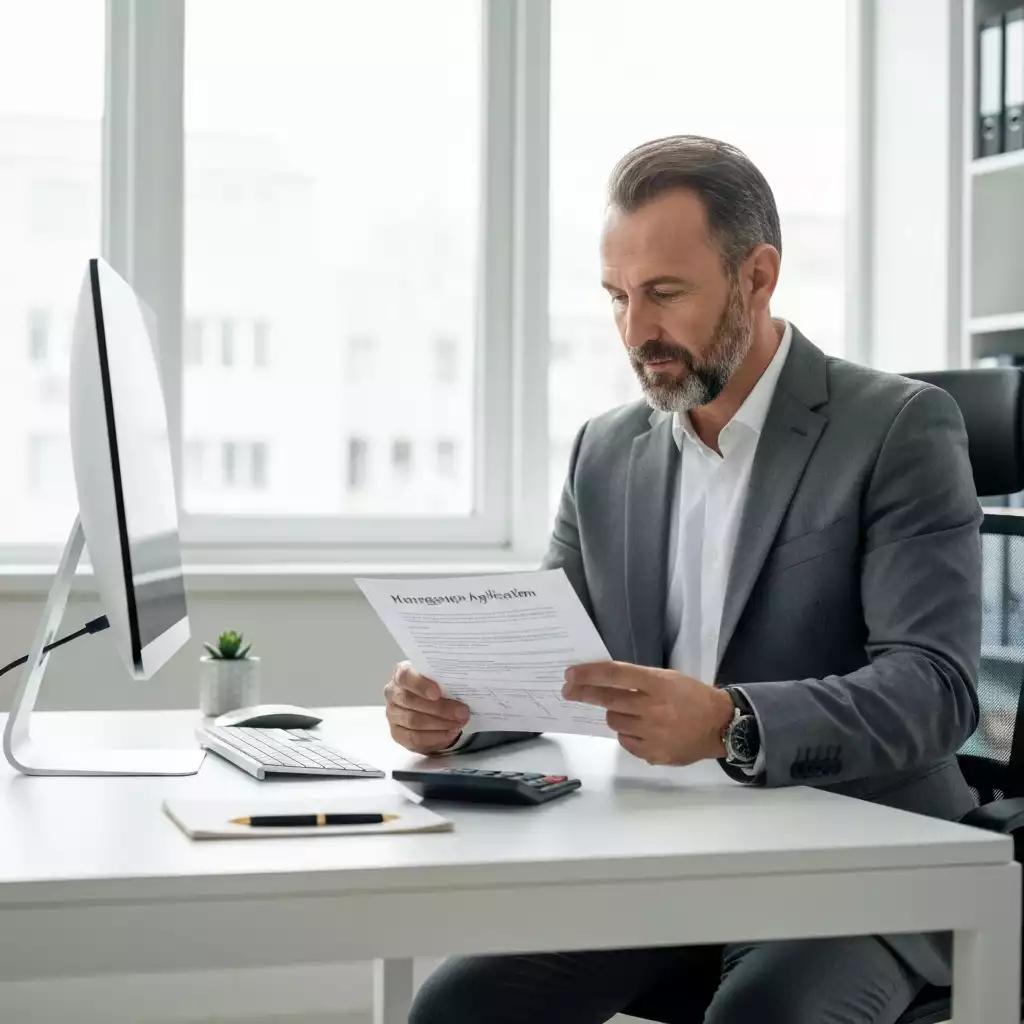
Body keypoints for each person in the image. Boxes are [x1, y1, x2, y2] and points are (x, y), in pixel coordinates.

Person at [385, 135, 982, 1024]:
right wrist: (458, 710)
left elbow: (935, 691)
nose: (636, 333)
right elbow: (557, 669)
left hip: (855, 867)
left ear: (757, 275)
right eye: (618, 298)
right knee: (458, 1007)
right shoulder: (605, 450)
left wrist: (731, 722)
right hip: (665, 859)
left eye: (665, 294)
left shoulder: (897, 428)